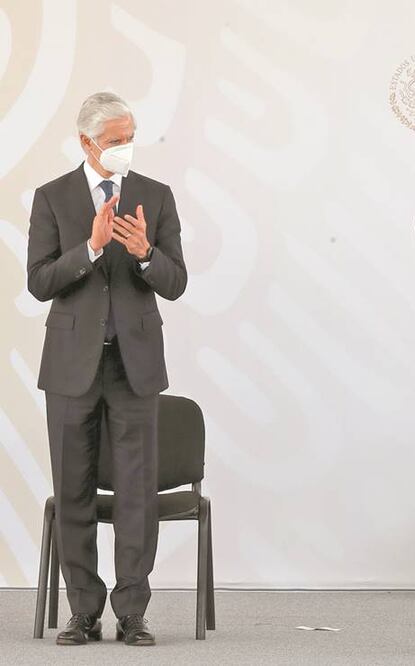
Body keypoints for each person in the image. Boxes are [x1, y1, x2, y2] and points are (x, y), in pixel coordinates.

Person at [27, 91, 187, 647]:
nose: (126, 147)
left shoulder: (155, 196)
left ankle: (133, 611)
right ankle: (83, 612)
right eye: (116, 139)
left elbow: (176, 282)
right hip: (71, 367)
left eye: (130, 137)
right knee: (73, 489)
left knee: (136, 492)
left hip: (134, 367)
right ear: (87, 143)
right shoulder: (52, 198)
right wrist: (90, 249)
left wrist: (145, 253)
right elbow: (40, 281)